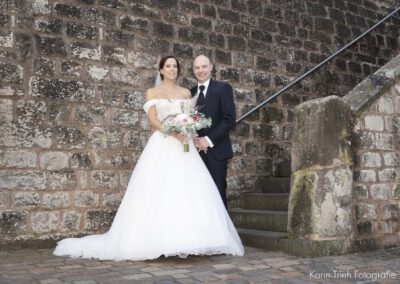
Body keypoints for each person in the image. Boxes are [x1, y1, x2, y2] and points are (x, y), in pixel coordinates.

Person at [53, 55, 244, 261]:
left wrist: (189, 132)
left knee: (190, 191)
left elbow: (197, 118)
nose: (172, 69)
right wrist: (174, 133)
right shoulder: (153, 92)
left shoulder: (187, 92)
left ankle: (199, 239)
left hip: (186, 148)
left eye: (175, 66)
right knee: (159, 190)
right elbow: (153, 121)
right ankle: (158, 239)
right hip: (164, 144)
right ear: (161, 70)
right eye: (168, 66)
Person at [191, 55, 236, 209]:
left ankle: (223, 233)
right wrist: (194, 139)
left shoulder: (223, 88)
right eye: (197, 67)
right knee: (197, 196)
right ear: (193, 70)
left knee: (217, 194)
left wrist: (208, 140)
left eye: (204, 66)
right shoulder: (189, 93)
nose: (200, 70)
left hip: (217, 151)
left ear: (211, 67)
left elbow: (229, 119)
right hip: (194, 154)